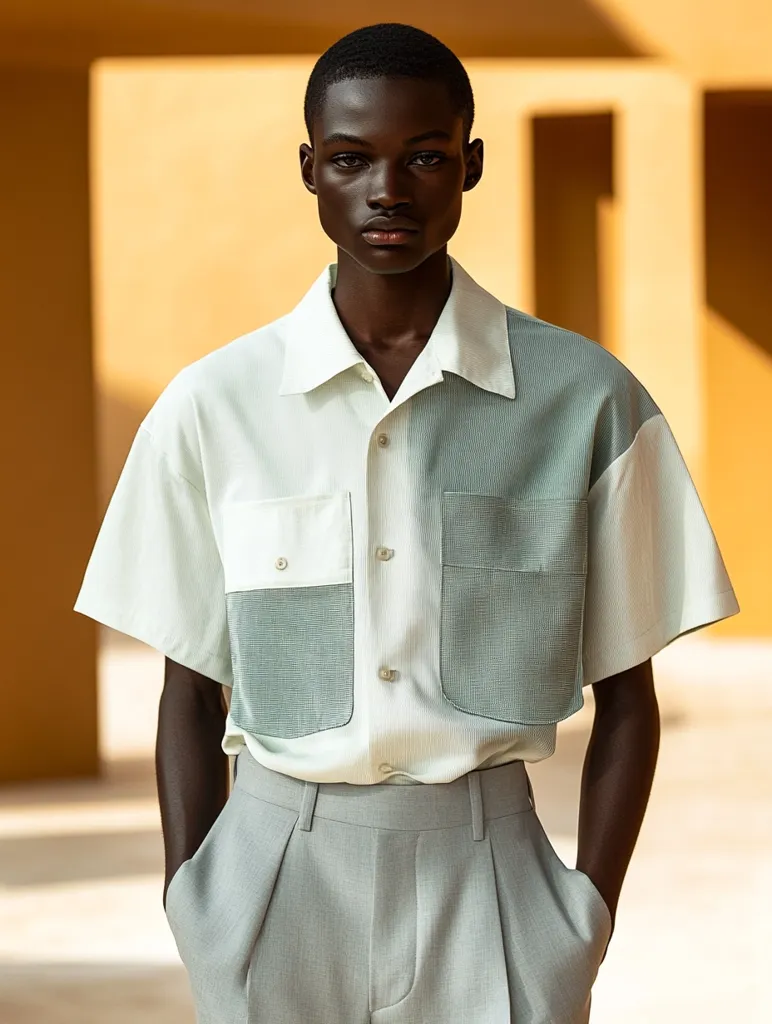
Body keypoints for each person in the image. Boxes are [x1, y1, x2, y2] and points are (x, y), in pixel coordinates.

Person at [74, 21, 739, 1024]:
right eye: (351, 159)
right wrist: (195, 901)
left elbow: (629, 696)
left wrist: (583, 916)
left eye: (424, 156)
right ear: (309, 170)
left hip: (493, 877)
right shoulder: (215, 406)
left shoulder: (586, 400)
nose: (388, 189)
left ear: (469, 164)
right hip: (272, 878)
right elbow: (187, 686)